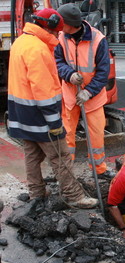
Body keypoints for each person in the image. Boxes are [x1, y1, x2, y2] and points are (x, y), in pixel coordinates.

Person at [7, 8, 98, 209]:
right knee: (60, 155)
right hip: (39, 115)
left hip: (21, 113)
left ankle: (36, 193)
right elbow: (43, 90)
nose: (58, 35)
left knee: (32, 155)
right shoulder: (38, 49)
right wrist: (54, 122)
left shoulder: (21, 42)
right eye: (57, 32)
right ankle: (74, 196)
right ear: (48, 28)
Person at [54, 3, 114, 179]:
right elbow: (57, 62)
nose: (58, 26)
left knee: (96, 136)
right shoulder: (61, 37)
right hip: (70, 96)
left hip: (92, 98)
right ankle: (66, 173)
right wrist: (69, 74)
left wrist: (88, 91)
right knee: (66, 137)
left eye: (61, 23)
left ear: (71, 24)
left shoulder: (98, 39)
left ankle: (99, 170)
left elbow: (103, 72)